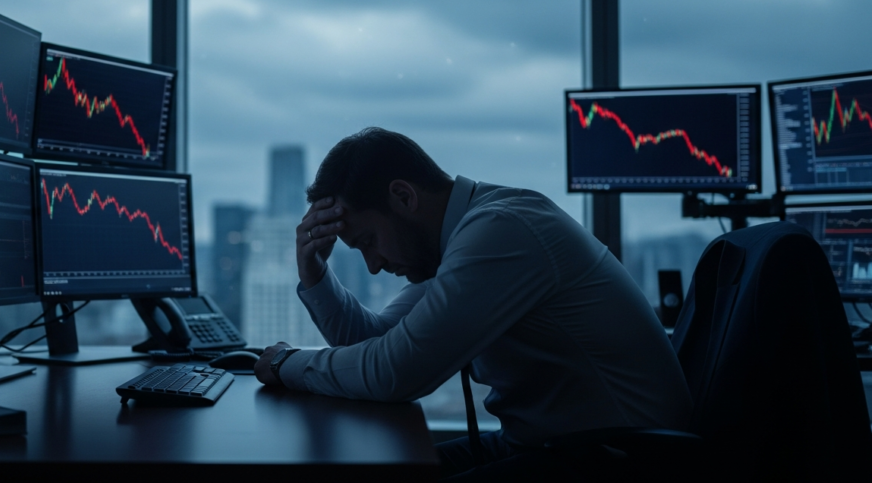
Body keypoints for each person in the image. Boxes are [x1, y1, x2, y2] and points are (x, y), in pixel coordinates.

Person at [253, 127, 692, 478]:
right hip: (555, 448)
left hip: (617, 460)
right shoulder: (465, 238)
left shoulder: (501, 231)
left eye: (369, 241)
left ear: (404, 197)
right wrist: (314, 274)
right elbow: (375, 341)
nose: (373, 265)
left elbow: (395, 371)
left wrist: (285, 364)